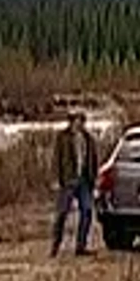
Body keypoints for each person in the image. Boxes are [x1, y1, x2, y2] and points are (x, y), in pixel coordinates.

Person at [51, 109, 98, 257]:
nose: (80, 123)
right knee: (62, 213)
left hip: (84, 180)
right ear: (72, 121)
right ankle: (55, 246)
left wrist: (94, 181)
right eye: (77, 120)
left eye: (82, 120)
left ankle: (80, 246)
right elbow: (56, 159)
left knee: (87, 211)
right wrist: (56, 179)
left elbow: (93, 160)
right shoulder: (62, 137)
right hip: (68, 180)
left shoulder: (89, 138)